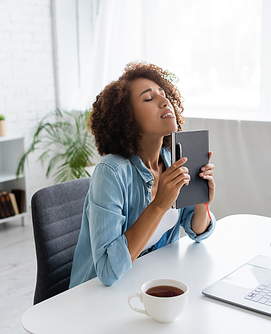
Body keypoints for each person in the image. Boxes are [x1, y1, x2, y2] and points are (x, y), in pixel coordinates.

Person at [69, 61, 216, 288]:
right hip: (97, 297)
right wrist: (159, 205)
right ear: (127, 118)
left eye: (164, 94)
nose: (164, 101)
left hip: (147, 285)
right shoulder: (111, 173)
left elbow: (197, 232)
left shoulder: (173, 159)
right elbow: (107, 271)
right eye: (148, 99)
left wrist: (200, 201)